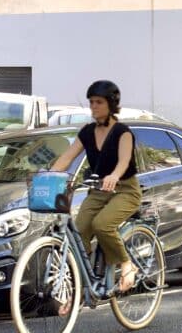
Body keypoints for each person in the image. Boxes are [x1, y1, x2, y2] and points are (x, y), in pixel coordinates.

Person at [51, 80, 141, 295]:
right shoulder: (88, 132)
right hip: (99, 190)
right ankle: (83, 287)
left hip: (125, 190)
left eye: (99, 102)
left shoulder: (123, 132)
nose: (93, 106)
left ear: (111, 104)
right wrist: (48, 176)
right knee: (79, 230)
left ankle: (127, 264)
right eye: (91, 102)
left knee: (102, 224)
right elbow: (67, 158)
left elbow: (124, 160)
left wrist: (114, 175)